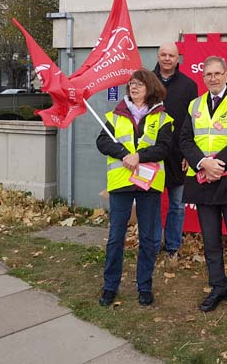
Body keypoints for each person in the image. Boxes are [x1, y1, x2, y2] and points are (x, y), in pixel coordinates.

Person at [180, 56, 227, 322]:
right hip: (203, 180)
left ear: (226, 74)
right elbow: (185, 139)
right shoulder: (194, 105)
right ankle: (218, 288)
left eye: (217, 73)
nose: (212, 78)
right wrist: (203, 163)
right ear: (203, 77)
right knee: (210, 242)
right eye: (208, 74)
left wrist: (218, 164)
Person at [96, 69, 174, 307]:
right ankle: (110, 286)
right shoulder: (115, 114)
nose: (134, 87)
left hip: (149, 185)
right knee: (115, 237)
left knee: (149, 238)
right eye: (131, 84)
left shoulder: (163, 117)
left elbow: (164, 148)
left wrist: (139, 155)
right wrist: (124, 154)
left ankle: (145, 286)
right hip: (121, 182)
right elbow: (102, 141)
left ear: (149, 87)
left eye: (139, 84)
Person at [153, 42, 198, 260]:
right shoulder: (146, 81)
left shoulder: (189, 86)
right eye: (163, 54)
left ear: (178, 58)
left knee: (177, 205)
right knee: (150, 203)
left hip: (179, 155)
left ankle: (172, 246)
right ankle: (151, 244)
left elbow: (193, 124)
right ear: (158, 56)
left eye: (171, 55)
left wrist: (189, 155)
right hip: (151, 155)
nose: (167, 58)